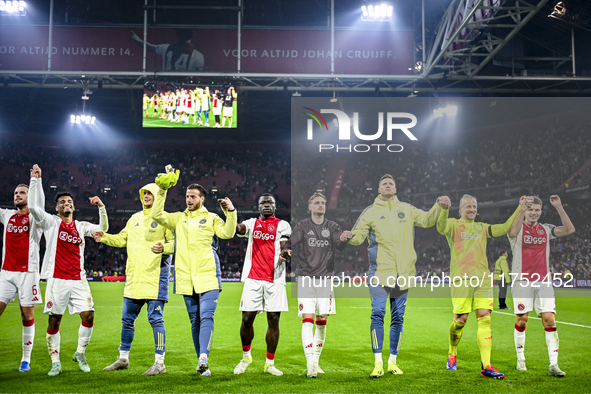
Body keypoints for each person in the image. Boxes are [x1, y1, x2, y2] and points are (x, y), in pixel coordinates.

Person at [343, 174, 443, 378]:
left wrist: (439, 206)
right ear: (379, 190)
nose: (388, 186)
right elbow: (359, 235)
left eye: (391, 184)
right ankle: (378, 362)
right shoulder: (370, 212)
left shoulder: (407, 209)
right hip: (380, 272)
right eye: (384, 184)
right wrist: (350, 237)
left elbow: (427, 220)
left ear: (395, 189)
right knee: (378, 313)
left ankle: (392, 362)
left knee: (398, 318)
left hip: (403, 273)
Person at [151, 169, 236, 376]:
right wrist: (162, 190)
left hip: (208, 276)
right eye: (187, 196)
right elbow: (156, 215)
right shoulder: (179, 218)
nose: (189, 199)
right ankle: (202, 365)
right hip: (185, 279)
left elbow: (228, 233)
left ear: (202, 199)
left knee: (206, 316)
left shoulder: (212, 218)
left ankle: (203, 357)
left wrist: (231, 212)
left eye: (193, 196)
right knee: (195, 321)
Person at [28, 164, 108, 377]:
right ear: (57, 208)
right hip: (57, 280)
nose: (67, 204)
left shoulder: (81, 226)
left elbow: (103, 229)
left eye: (69, 202)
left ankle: (80, 353)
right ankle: (55, 361)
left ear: (73, 207)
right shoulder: (51, 223)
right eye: (62, 202)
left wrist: (101, 207)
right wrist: (35, 180)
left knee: (89, 316)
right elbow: (34, 208)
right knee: (54, 320)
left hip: (78, 279)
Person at [437, 194, 525, 379]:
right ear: (460, 209)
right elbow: (440, 227)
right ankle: (452, 353)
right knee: (460, 320)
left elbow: (503, 228)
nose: (471, 209)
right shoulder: (452, 224)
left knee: (484, 318)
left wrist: (520, 208)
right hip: (461, 278)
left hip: (483, 278)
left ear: (477, 211)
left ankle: (486, 366)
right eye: (467, 206)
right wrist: (444, 210)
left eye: (474, 207)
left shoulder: (482, 227)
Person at [94, 183, 175, 376]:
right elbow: (122, 239)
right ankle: (123, 359)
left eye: (150, 193)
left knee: (156, 319)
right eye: (144, 193)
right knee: (127, 320)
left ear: (157, 196)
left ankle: (159, 363)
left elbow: (174, 244)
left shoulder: (165, 219)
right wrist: (104, 237)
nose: (146, 196)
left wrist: (164, 248)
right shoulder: (134, 218)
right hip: (134, 278)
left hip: (155, 278)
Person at [281, 192, 352, 378]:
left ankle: (316, 362)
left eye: (323, 202)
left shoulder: (332, 226)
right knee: (308, 319)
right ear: (310, 206)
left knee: (321, 322)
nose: (321, 205)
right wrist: (286, 251)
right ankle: (310, 363)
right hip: (305, 278)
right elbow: (291, 243)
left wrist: (344, 238)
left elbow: (339, 245)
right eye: (317, 203)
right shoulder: (302, 226)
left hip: (326, 280)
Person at [508, 195, 575, 377]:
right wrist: (521, 208)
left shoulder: (546, 229)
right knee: (522, 320)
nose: (534, 213)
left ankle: (554, 364)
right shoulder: (517, 227)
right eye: (531, 210)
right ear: (525, 211)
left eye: (537, 210)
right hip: (522, 280)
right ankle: (520, 358)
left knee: (550, 320)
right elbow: (512, 233)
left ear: (541, 212)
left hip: (543, 280)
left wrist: (559, 207)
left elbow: (570, 229)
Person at [233, 193, 291, 376]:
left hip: (275, 279)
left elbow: (285, 244)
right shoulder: (252, 223)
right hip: (253, 278)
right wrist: (230, 215)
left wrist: (285, 253)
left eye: (270, 202)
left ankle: (269, 363)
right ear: (258, 206)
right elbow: (239, 229)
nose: (266, 205)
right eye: (263, 202)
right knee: (247, 319)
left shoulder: (283, 224)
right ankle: (246, 357)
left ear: (274, 206)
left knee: (273, 320)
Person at [0, 181, 44, 372]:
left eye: (23, 193)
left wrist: (36, 181)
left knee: (27, 315)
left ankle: (26, 359)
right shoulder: (7, 215)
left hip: (28, 274)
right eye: (16, 192)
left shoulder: (36, 218)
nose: (18, 195)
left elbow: (39, 205)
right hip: (6, 273)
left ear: (30, 196)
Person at [130, 29, 204, 71]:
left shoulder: (166, 48)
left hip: (166, 81)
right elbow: (199, 74)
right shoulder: (197, 55)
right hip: (185, 85)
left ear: (177, 34)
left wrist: (136, 39)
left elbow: (149, 47)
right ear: (192, 35)